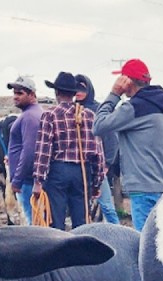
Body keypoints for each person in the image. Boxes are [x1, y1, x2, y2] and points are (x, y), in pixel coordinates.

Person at [94, 58, 163, 231]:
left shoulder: (132, 109)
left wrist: (114, 94)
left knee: (143, 243)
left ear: (126, 81)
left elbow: (98, 126)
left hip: (141, 190)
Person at [32, 71, 105, 230]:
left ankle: (58, 251)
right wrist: (97, 182)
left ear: (57, 92)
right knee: (82, 220)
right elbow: (98, 153)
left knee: (55, 219)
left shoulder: (50, 115)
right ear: (73, 94)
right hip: (82, 172)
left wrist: (38, 180)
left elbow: (43, 150)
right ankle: (80, 251)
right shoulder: (89, 116)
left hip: (58, 171)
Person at [75, 73, 120, 224]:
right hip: (77, 166)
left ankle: (119, 235)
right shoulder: (72, 110)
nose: (78, 92)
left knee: (106, 205)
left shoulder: (99, 110)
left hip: (96, 165)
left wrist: (107, 164)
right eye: (75, 89)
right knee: (81, 206)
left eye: (82, 89)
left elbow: (111, 139)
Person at [5, 75, 42, 225]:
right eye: (14, 93)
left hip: (27, 180)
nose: (15, 97)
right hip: (29, 178)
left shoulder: (29, 117)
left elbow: (29, 151)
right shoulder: (33, 114)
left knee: (31, 220)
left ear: (32, 95)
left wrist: (17, 180)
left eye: (20, 93)